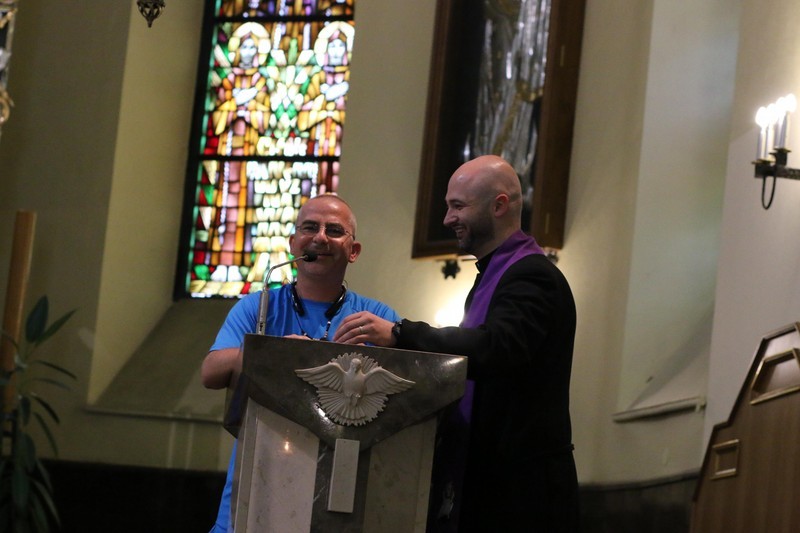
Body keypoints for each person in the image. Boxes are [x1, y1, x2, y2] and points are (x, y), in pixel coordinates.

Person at [333, 155, 579, 532]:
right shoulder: (495, 275)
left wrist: (401, 333)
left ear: (498, 205)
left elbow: (497, 349)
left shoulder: (532, 275)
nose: (448, 219)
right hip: (492, 482)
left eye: (458, 206)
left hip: (521, 491)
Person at [201, 194, 400, 533]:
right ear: (293, 243)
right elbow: (210, 373)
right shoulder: (257, 307)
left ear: (353, 251)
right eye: (310, 228)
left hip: (339, 478)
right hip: (261, 469)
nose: (320, 237)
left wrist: (394, 338)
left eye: (334, 230)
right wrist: (271, 351)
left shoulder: (375, 318)